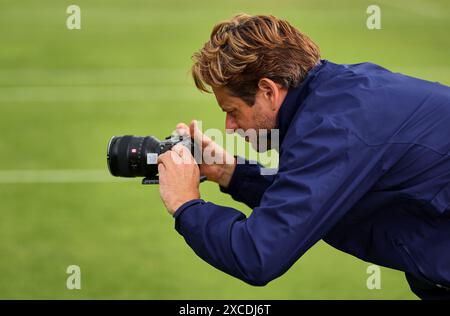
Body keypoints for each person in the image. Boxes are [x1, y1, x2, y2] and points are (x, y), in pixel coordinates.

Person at [156, 13, 450, 299]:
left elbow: (256, 255)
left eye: (232, 112)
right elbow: (312, 198)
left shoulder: (332, 130)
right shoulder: (335, 95)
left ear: (268, 91)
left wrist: (186, 204)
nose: (229, 128)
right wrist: (228, 172)